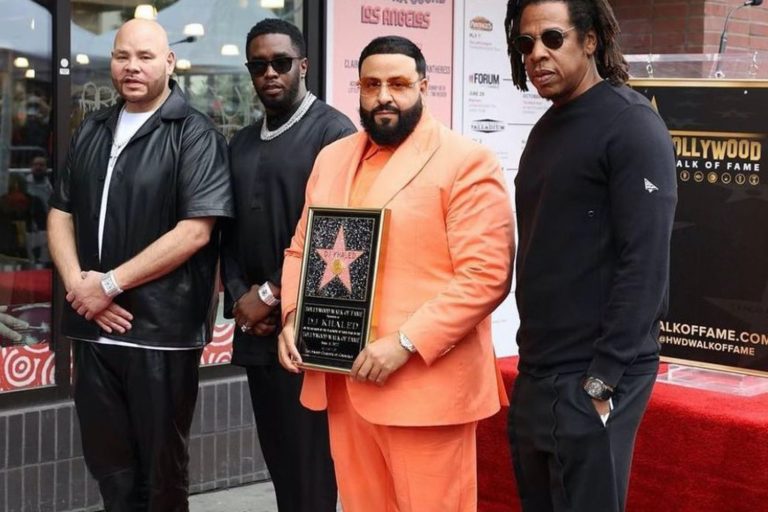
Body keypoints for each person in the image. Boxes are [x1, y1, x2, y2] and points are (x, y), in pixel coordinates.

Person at [278, 35, 514, 512]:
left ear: (423, 87)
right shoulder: (332, 159)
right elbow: (302, 249)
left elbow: (486, 276)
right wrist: (291, 317)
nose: (384, 96)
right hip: (343, 381)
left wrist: (406, 342)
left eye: (399, 84)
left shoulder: (466, 161)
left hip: (425, 388)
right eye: (372, 84)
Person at [47, 18, 233, 511]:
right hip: (93, 331)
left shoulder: (195, 134)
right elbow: (60, 212)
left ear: (169, 62)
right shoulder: (92, 128)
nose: (131, 67)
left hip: (159, 334)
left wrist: (107, 284)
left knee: (161, 478)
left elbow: (195, 231)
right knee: (111, 472)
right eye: (121, 56)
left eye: (145, 57)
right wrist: (79, 287)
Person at [503, 1, 677, 511]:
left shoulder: (631, 124)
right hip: (539, 368)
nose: (537, 54)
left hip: (595, 374)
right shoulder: (546, 129)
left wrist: (603, 380)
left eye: (552, 38)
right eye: (525, 43)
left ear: (591, 40)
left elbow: (645, 261)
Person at [220, 18, 355, 512]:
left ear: (303, 65)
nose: (270, 74)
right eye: (259, 66)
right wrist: (242, 297)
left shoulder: (335, 132)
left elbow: (337, 236)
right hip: (256, 327)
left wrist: (272, 295)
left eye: (280, 62)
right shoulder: (240, 142)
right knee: (279, 458)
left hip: (309, 329)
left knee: (311, 464)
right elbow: (227, 233)